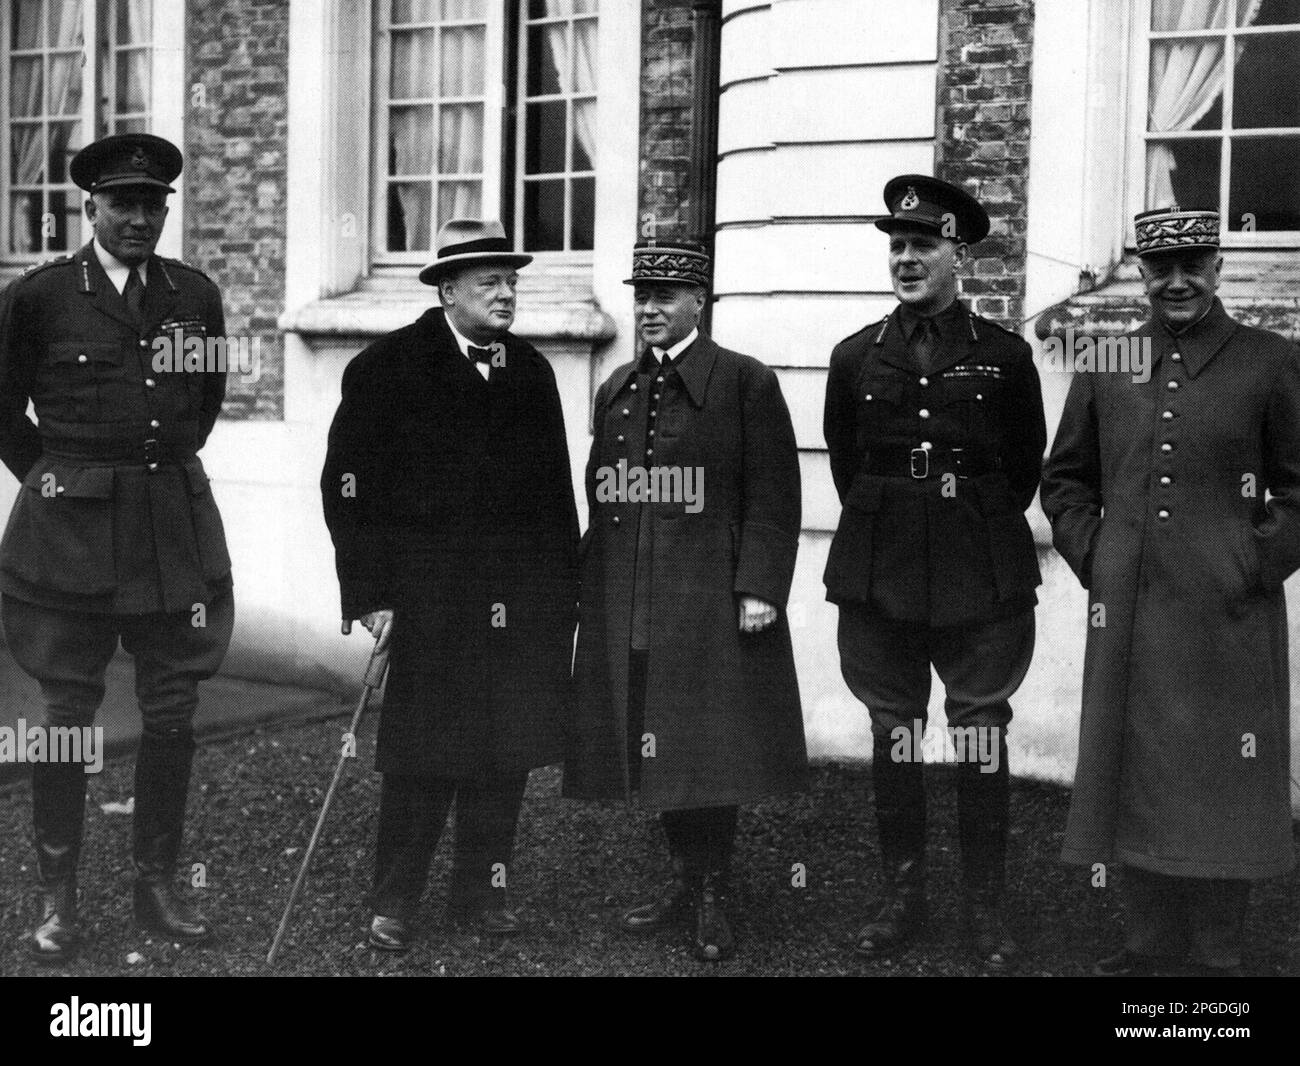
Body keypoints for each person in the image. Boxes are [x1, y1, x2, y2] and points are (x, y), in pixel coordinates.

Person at [1041, 207, 1300, 977]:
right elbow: (1065, 481)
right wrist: (1097, 553)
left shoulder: (1270, 360)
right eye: (1162, 268)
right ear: (1144, 274)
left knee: (1223, 768)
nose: (1177, 281)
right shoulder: (1109, 358)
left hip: (1229, 614)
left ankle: (1217, 952)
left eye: (1193, 264)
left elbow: (1297, 489)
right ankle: (1147, 941)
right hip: (1127, 612)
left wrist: (1251, 564)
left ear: (1218, 268)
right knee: (1138, 764)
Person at [0, 133, 232, 961]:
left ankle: (157, 884)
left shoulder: (196, 298)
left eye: (152, 204)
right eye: (122, 203)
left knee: (173, 712)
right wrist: (56, 476)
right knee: (66, 720)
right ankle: (57, 898)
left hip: (173, 528)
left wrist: (150, 476)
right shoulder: (41, 298)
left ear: (167, 209)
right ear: (89, 207)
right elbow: (2, 410)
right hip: (68, 537)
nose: (139, 218)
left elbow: (203, 404)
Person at [321, 218, 578, 953]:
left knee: (505, 754)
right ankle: (395, 899)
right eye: (490, 283)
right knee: (424, 755)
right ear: (447, 291)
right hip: (432, 601)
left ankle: (482, 895)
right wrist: (369, 593)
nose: (507, 295)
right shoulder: (387, 369)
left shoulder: (531, 372)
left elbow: (556, 496)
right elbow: (347, 488)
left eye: (512, 281)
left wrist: (566, 593)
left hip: (521, 601)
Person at [822, 175, 1046, 971]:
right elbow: (850, 465)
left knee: (981, 732)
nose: (907, 259)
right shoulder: (855, 357)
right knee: (897, 732)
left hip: (981, 570)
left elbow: (1022, 469)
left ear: (960, 254)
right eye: (898, 247)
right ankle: (903, 894)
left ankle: (985, 906)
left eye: (923, 245)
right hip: (880, 567)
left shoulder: (1005, 357)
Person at [566, 237, 807, 962]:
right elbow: (599, 492)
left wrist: (760, 586)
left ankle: (713, 888)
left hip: (708, 600)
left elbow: (774, 495)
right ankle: (681, 876)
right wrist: (588, 591)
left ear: (698, 301)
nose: (649, 309)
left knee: (708, 743)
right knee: (654, 735)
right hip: (631, 598)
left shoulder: (744, 383)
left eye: (664, 296)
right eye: (641, 295)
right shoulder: (615, 387)